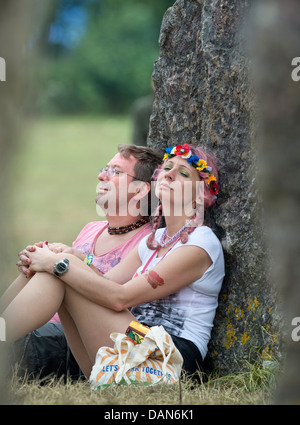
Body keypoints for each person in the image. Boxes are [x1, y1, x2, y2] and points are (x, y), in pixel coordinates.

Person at [1, 143, 225, 378]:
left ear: (200, 193)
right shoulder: (154, 240)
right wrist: (68, 260)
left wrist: (57, 264)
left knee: (60, 268)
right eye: (167, 167)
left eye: (182, 173)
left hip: (171, 354)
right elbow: (105, 284)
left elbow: (120, 298)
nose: (168, 173)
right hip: (136, 338)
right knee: (62, 268)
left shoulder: (201, 243)